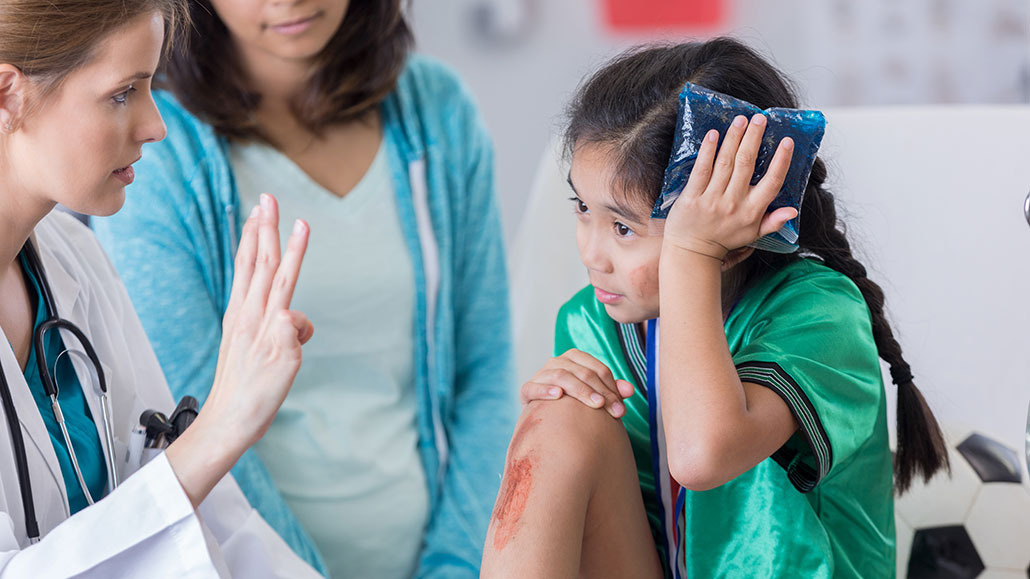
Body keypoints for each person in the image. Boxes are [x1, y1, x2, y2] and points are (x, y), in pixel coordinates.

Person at [481, 38, 950, 579]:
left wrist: (691, 253)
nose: (591, 252)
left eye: (623, 227)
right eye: (582, 208)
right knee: (559, 416)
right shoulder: (593, 321)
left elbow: (700, 456)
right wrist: (554, 414)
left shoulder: (822, 316)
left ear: (736, 235)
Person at [92, 0, 516, 576]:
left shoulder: (437, 111)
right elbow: (188, 420)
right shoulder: (152, 151)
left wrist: (456, 565)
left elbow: (486, 373)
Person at [0, 1, 322, 576]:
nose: (156, 125)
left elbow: (207, 519)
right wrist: (221, 427)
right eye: (123, 93)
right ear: (7, 94)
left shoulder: (78, 261)